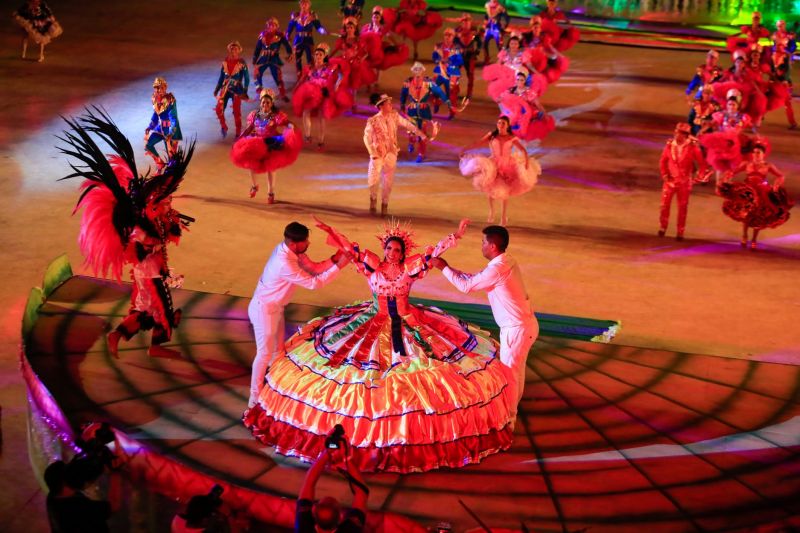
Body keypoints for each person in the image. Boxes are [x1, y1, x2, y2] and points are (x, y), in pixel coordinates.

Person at [243, 217, 517, 472]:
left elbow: (432, 254)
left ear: (402, 252)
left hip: (407, 322)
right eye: (390, 249)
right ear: (384, 249)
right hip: (372, 321)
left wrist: (454, 236)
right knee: (347, 364)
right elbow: (350, 248)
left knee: (415, 367)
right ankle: (259, 394)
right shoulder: (373, 263)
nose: (393, 254)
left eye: (397, 250)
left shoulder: (410, 267)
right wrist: (331, 234)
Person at [59, 109, 195, 360]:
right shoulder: (144, 223)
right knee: (163, 306)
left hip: (150, 270)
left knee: (145, 309)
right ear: (153, 202)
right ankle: (155, 347)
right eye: (165, 199)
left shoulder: (158, 216)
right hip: (149, 271)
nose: (169, 202)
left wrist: (169, 228)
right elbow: (136, 248)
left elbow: (168, 234)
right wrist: (155, 242)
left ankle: (118, 336)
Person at [430, 224, 537, 410]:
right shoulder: (505, 261)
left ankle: (509, 418)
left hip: (516, 330)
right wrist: (449, 268)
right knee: (516, 373)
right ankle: (513, 410)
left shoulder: (496, 270)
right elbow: (473, 278)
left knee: (510, 375)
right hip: (524, 326)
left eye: (483, 242)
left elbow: (466, 286)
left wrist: (443, 268)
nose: (481, 246)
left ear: (493, 246)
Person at [247, 221, 349, 407]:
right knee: (264, 354)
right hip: (264, 310)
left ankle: (274, 387)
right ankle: (254, 398)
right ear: (294, 243)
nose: (308, 244)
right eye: (305, 242)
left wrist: (334, 260)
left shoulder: (291, 251)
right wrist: (339, 267)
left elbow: (314, 268)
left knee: (278, 352)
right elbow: (314, 283)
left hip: (275, 309)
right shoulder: (284, 263)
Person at [459, 116, 540, 226]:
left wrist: (526, 163)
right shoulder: (492, 136)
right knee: (490, 188)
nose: (500, 125)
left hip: (507, 165)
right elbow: (478, 142)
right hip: (493, 164)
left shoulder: (511, 138)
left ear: (507, 125)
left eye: (503, 123)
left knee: (505, 191)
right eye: (499, 123)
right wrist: (465, 148)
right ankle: (491, 212)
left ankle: (503, 217)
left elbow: (523, 150)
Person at [718, 138, 793, 250]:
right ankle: (744, 235)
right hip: (748, 192)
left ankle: (754, 239)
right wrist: (727, 177)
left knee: (759, 216)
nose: (756, 155)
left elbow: (781, 176)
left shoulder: (768, 165)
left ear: (763, 154)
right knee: (746, 214)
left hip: (762, 192)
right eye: (754, 152)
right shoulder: (746, 164)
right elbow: (733, 171)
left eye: (758, 153)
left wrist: (777, 184)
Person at [231, 88, 302, 204]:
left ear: (272, 103)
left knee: (271, 169)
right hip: (257, 143)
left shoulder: (276, 116)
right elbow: (249, 129)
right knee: (252, 165)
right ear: (260, 102)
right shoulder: (254, 115)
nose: (265, 105)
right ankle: (254, 186)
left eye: (268, 102)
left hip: (271, 143)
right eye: (263, 102)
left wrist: (291, 126)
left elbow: (286, 122)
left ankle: (271, 192)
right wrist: (240, 138)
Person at [363, 93, 427, 216]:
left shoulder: (395, 116)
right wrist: (373, 152)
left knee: (388, 181)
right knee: (373, 180)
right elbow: (366, 138)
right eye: (388, 103)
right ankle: (373, 199)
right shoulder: (373, 121)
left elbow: (408, 125)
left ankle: (385, 204)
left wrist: (421, 134)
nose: (391, 105)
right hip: (378, 154)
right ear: (381, 106)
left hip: (391, 153)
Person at [295, 434, 368, 533]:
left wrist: (326, 453)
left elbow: (308, 483)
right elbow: (361, 492)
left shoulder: (303, 527)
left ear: (313, 511)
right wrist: (347, 458)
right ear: (341, 517)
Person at [291, 43, 348, 150]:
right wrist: (296, 89)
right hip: (311, 95)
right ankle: (307, 136)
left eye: (320, 54)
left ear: (325, 56)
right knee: (306, 112)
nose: (318, 56)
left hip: (324, 94)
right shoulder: (309, 68)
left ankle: (321, 141)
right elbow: (302, 79)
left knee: (321, 117)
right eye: (316, 54)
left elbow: (341, 74)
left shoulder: (330, 68)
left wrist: (336, 85)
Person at [657, 123, 708, 241]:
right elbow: (663, 161)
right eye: (675, 132)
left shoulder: (692, 147)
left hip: (685, 183)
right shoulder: (670, 146)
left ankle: (680, 231)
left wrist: (698, 177)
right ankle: (662, 227)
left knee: (682, 207)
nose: (675, 134)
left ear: (685, 135)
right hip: (670, 181)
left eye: (678, 133)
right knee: (664, 205)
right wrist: (664, 175)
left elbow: (702, 164)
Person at [399, 61, 452, 163]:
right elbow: (403, 94)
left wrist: (447, 101)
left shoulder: (429, 83)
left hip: (424, 112)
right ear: (413, 71)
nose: (418, 72)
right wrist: (402, 104)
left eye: (420, 70)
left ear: (423, 71)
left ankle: (421, 153)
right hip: (412, 112)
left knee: (423, 133)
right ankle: (411, 141)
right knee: (412, 132)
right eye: (416, 70)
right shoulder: (408, 83)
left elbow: (440, 92)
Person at [47, 458, 112, 533]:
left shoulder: (52, 496)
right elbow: (113, 506)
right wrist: (115, 473)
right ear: (64, 484)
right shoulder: (78, 507)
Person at [214, 41, 250, 139]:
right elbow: (221, 77)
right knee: (219, 109)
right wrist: (217, 89)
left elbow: (247, 78)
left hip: (236, 90)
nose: (234, 50)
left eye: (236, 49)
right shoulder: (225, 62)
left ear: (239, 51)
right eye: (232, 49)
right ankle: (224, 127)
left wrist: (245, 91)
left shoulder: (242, 63)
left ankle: (238, 132)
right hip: (225, 89)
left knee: (237, 112)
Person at [145, 77, 183, 169]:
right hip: (160, 128)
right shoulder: (155, 99)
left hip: (169, 130)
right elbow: (155, 114)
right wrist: (150, 126)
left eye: (160, 87)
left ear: (165, 87)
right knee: (148, 145)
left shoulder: (170, 99)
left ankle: (172, 172)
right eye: (156, 88)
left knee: (171, 155)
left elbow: (173, 118)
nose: (158, 90)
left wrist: (171, 132)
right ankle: (160, 164)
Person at [252, 17, 294, 100]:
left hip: (274, 59)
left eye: (273, 25)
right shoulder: (262, 36)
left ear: (277, 26)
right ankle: (259, 91)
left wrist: (289, 53)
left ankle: (282, 93)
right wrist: (255, 59)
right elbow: (258, 48)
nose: (271, 27)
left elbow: (287, 45)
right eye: (270, 25)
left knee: (277, 76)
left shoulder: (280, 36)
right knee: (257, 74)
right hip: (263, 58)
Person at [286, 0, 327, 75]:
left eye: (306, 4)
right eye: (302, 3)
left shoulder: (313, 15)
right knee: (297, 57)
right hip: (298, 39)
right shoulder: (295, 15)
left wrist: (322, 30)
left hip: (308, 40)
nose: (304, 5)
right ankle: (299, 72)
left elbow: (318, 26)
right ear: (300, 5)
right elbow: (290, 26)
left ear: (309, 5)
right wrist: (287, 34)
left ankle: (310, 72)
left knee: (310, 57)